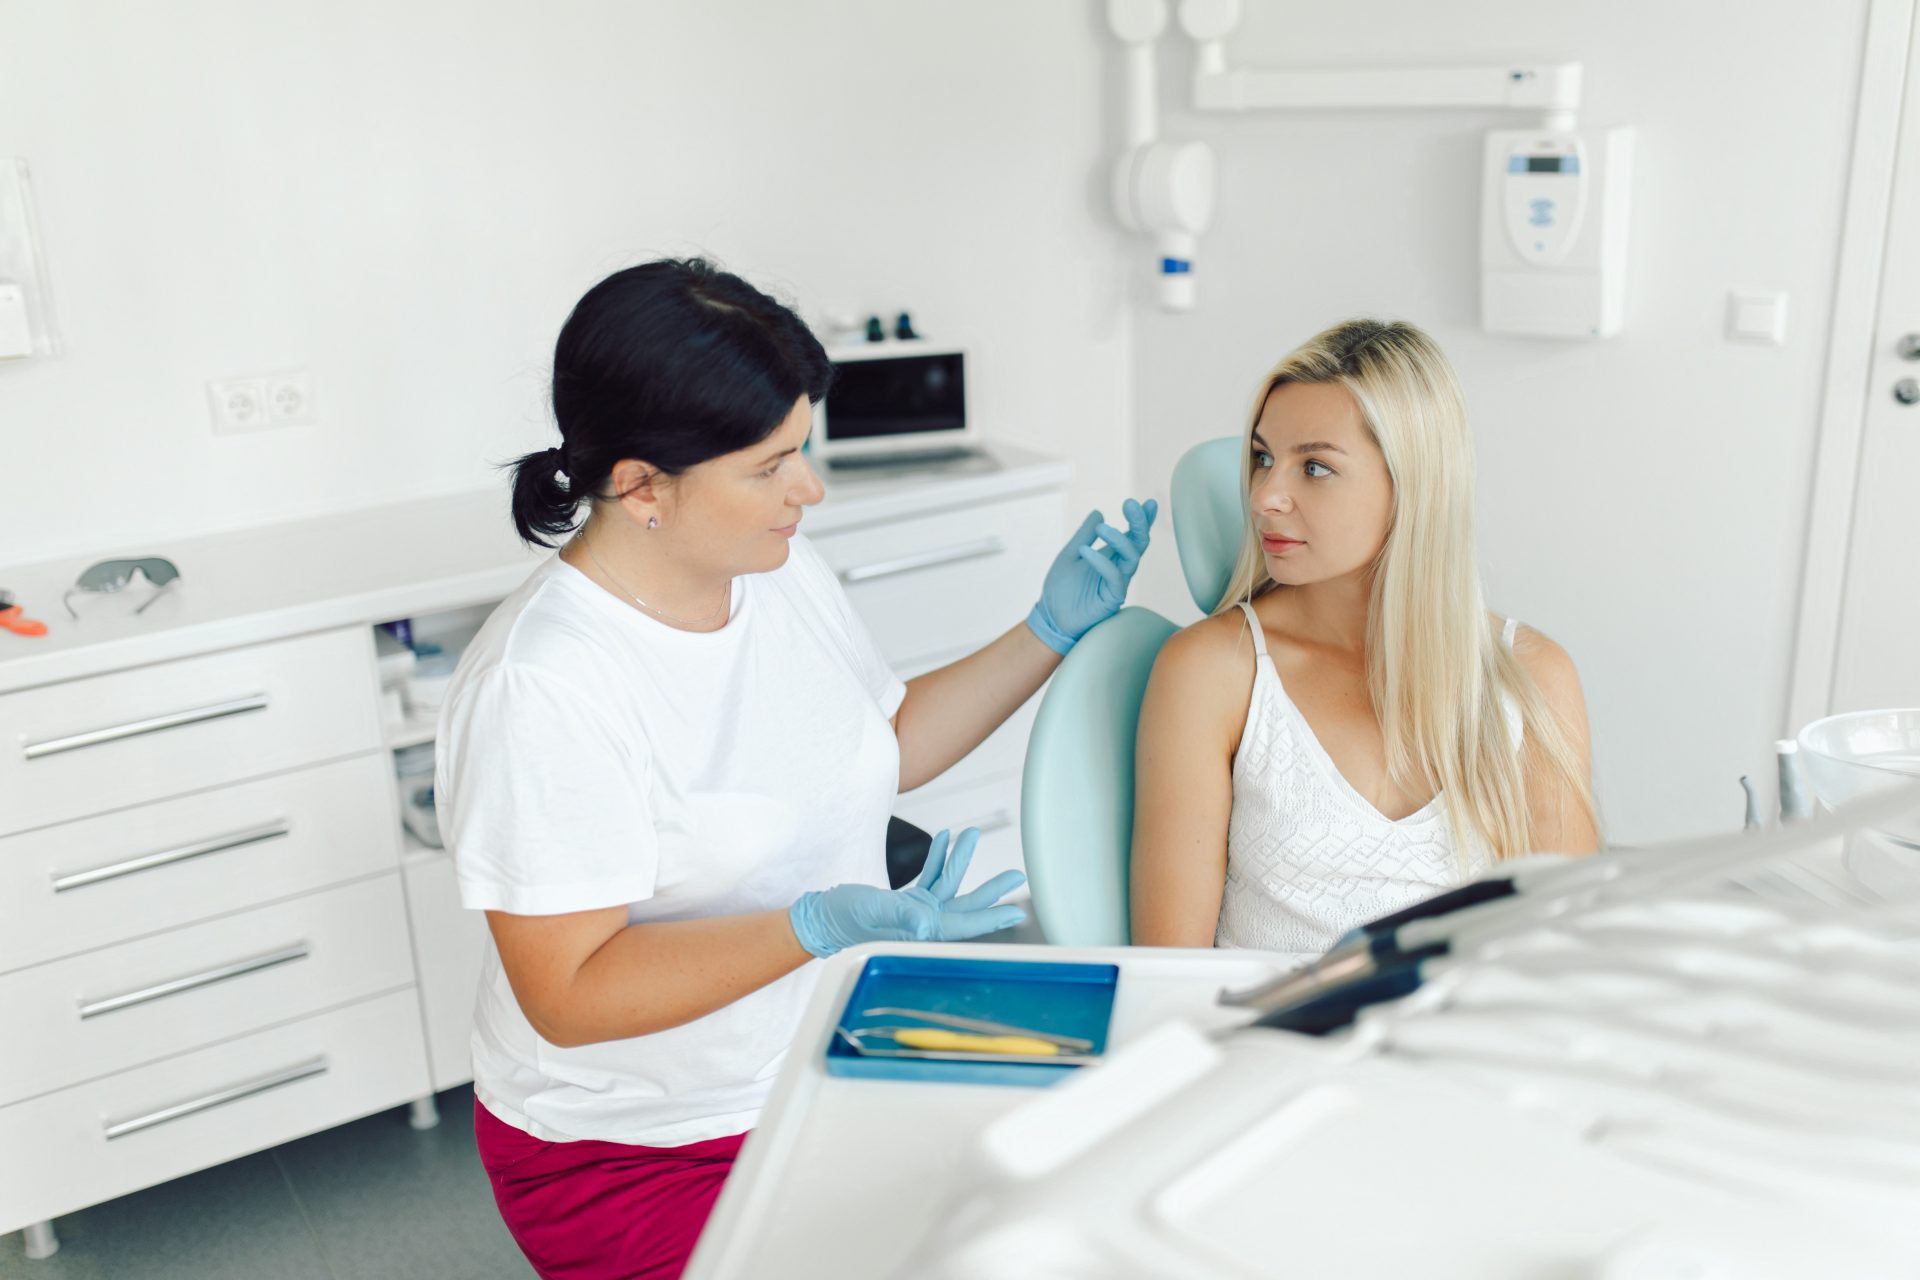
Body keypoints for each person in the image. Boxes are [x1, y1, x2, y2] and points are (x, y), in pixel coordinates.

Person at [435, 258, 1156, 1279]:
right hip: (639, 1147)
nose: (807, 491)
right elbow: (570, 991)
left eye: (802, 450)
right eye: (771, 466)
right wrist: (810, 925)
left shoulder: (769, 567)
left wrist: (1048, 630)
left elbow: (886, 743)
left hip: (825, 1052)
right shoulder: (543, 684)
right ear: (641, 487)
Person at [1129, 318, 1597, 961]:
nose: (1265, 497)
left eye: (1315, 467)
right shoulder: (1212, 672)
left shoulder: (1533, 680)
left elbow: (1566, 958)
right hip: (1268, 1025)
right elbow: (1169, 970)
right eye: (1263, 458)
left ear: (1413, 486)